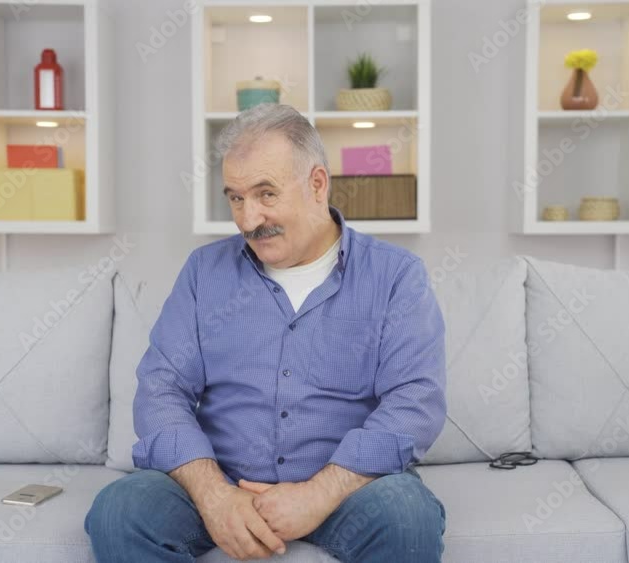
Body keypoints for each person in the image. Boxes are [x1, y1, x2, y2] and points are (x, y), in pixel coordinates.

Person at [85, 103, 447, 562]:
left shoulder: (396, 277)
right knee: (119, 512)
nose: (248, 219)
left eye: (265, 194)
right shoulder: (204, 273)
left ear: (317, 184)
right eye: (236, 198)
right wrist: (215, 495)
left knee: (408, 516)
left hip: (347, 492)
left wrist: (319, 493)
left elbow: (415, 402)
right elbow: (161, 389)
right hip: (222, 485)